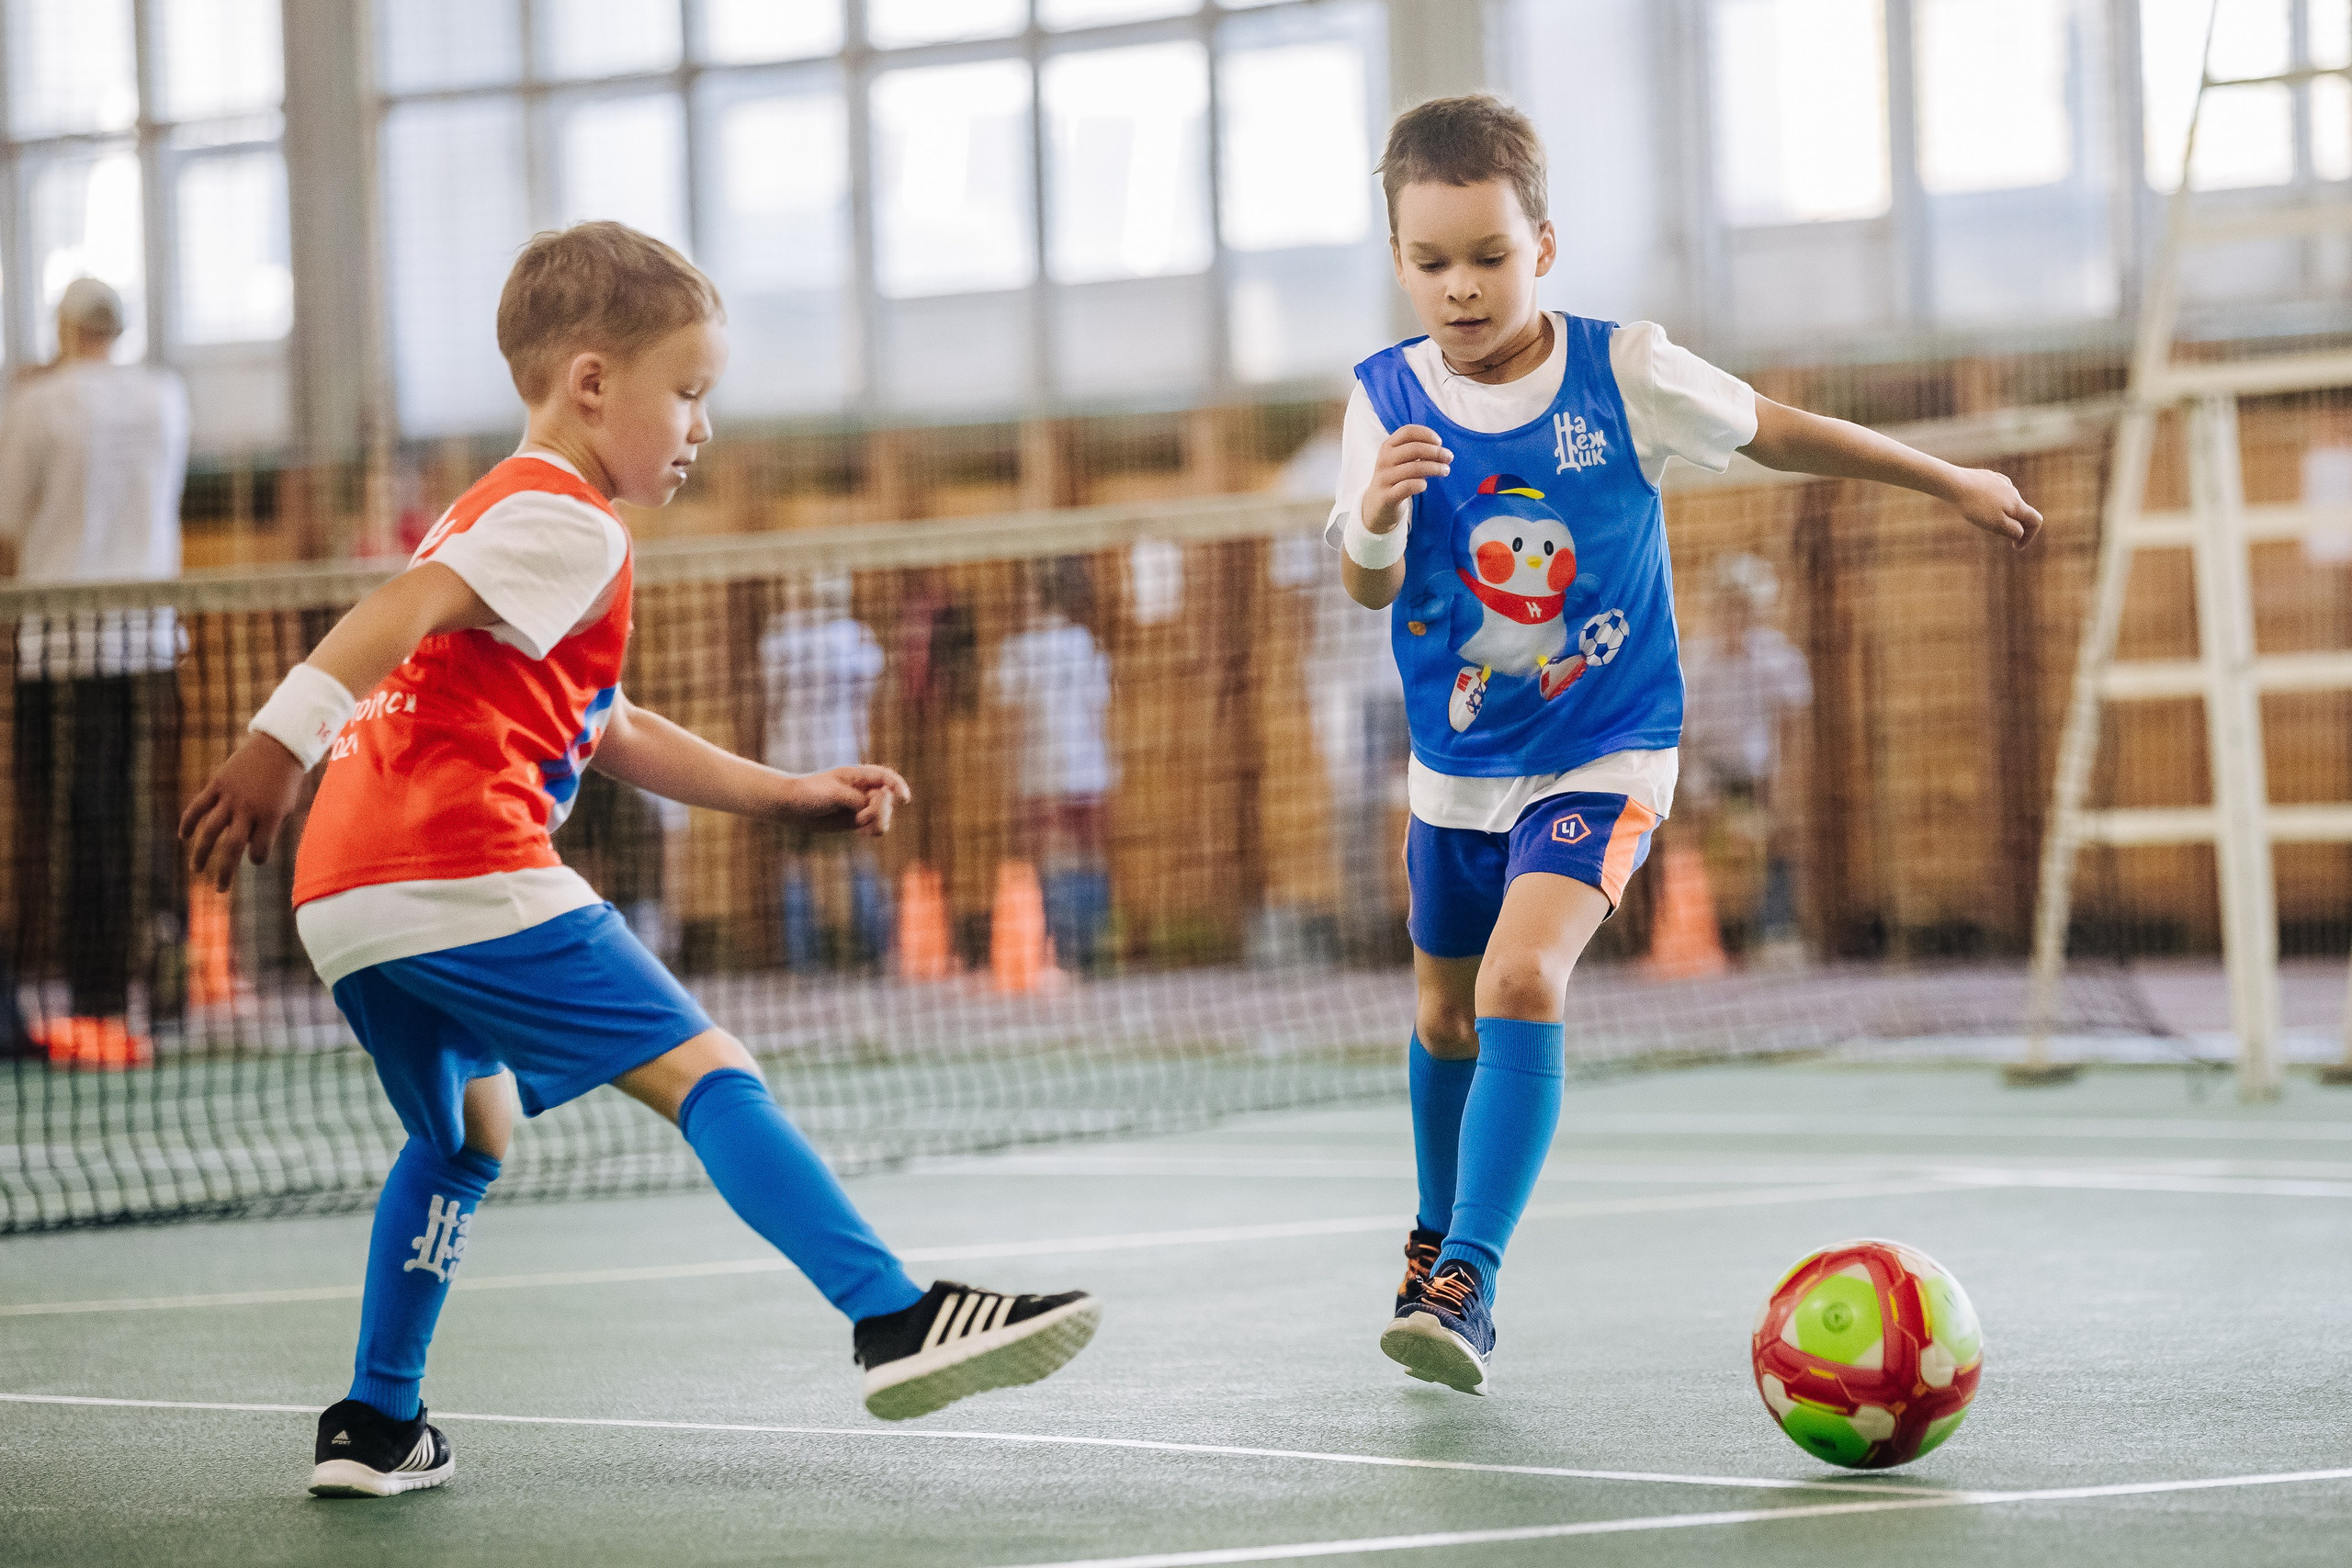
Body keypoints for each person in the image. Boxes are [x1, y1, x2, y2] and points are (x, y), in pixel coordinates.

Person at [179, 222, 1098, 1500]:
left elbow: (605, 723)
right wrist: (277, 741)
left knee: (466, 1129)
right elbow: (391, 616)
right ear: (594, 382)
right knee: (707, 1068)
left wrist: (787, 795)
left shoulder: (498, 515)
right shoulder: (566, 518)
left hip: (349, 893)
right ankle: (892, 1311)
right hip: (458, 863)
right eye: (690, 392)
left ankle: (377, 1422)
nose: (701, 428)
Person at [1329, 96, 2041, 1396]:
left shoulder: (1626, 371)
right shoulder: (1382, 401)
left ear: (1543, 242)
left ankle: (1470, 1278)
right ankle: (1433, 1236)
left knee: (1519, 982)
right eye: (1432, 261)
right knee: (1441, 1010)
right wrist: (1374, 518)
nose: (1462, 285)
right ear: (1397, 259)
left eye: (1488, 254)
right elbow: (1367, 588)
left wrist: (1948, 477)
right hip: (1456, 773)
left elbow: (1778, 428)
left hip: (1607, 748)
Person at [0, 277, 188, 1048]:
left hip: (58, 642)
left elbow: (9, 527)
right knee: (135, 811)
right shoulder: (166, 397)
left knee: (69, 823)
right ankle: (156, 950)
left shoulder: (36, 406)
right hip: (148, 640)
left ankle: (93, 992)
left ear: (62, 326)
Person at [1679, 552, 1813, 963]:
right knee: (1703, 847)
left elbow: (1792, 727)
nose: (1735, 613)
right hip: (1708, 775)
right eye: (1727, 604)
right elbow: (1684, 736)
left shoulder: (1778, 658)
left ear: (1758, 609)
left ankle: (1775, 931)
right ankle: (1711, 938)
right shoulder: (1694, 660)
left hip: (1759, 777)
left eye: (1744, 605)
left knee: (1776, 839)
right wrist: (1696, 792)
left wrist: (1781, 788)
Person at [759, 571, 890, 969]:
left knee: (798, 860)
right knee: (847, 855)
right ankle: (864, 956)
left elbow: (773, 698)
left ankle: (806, 962)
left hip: (788, 764)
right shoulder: (855, 639)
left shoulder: (777, 640)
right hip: (840, 761)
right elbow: (868, 691)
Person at [992, 558, 1114, 974]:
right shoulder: (1086, 643)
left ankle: (1059, 951)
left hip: (1041, 773)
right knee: (1088, 856)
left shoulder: (1019, 649)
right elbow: (1100, 711)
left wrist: (1009, 773)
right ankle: (1095, 951)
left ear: (1036, 597)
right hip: (1086, 769)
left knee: (1050, 859)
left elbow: (1011, 723)